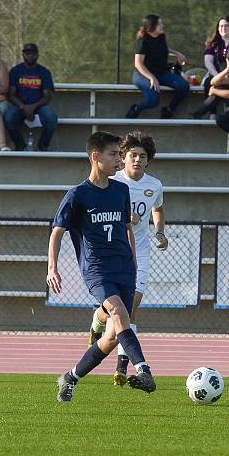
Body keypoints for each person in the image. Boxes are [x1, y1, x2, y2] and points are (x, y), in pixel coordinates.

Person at [48, 131, 156, 402]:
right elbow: (57, 232)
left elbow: (127, 228)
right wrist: (52, 268)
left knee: (111, 337)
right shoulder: (77, 195)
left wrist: (132, 260)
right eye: (114, 155)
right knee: (119, 311)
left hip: (124, 268)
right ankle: (143, 369)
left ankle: (70, 377)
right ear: (96, 157)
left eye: (120, 155)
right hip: (97, 270)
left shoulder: (120, 190)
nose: (119, 160)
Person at [86, 131, 167, 386]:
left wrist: (160, 231)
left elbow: (158, 208)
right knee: (113, 310)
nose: (138, 160)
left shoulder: (154, 185)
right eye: (133, 155)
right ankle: (97, 322)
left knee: (131, 307)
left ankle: (122, 366)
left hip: (139, 252)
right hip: (114, 252)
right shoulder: (113, 181)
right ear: (124, 156)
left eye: (143, 156)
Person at [127, 14, 189, 119]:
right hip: (142, 74)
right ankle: (136, 108)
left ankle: (168, 110)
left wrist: (177, 54)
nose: (162, 25)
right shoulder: (142, 41)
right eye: (159, 24)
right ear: (151, 26)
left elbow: (163, 48)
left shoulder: (161, 36)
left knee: (184, 86)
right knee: (153, 101)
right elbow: (138, 63)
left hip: (161, 73)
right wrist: (151, 77)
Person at [192, 15, 229, 119]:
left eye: (226, 26)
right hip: (216, 74)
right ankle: (212, 112)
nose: (223, 28)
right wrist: (218, 76)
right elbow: (208, 62)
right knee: (208, 82)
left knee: (221, 86)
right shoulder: (212, 43)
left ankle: (200, 114)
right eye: (221, 26)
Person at [4, 42, 57, 151]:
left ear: (37, 55)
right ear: (23, 55)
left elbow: (47, 96)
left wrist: (32, 107)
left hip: (39, 106)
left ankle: (43, 146)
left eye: (33, 53)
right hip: (19, 105)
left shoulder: (44, 72)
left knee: (51, 118)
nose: (30, 55)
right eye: (27, 53)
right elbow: (11, 94)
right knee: (8, 118)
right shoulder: (15, 71)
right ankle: (19, 144)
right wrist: (23, 107)